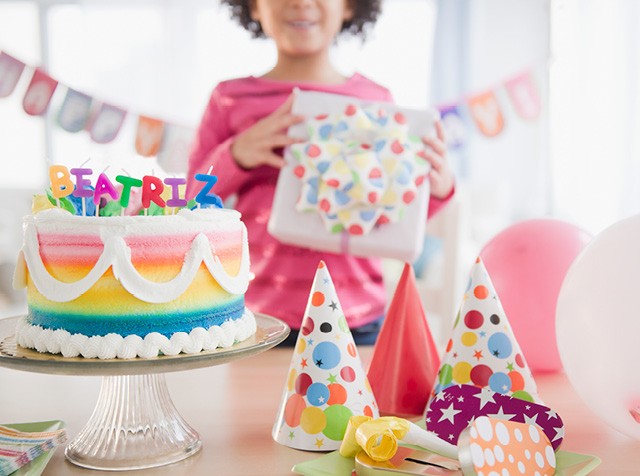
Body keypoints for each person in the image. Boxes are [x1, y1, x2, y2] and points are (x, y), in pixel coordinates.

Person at [186, 0, 456, 345]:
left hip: (358, 318)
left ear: (350, 7)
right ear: (253, 7)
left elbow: (397, 218)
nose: (300, 3)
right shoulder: (230, 98)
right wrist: (235, 155)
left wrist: (438, 187)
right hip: (256, 319)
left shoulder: (376, 98)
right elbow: (188, 200)